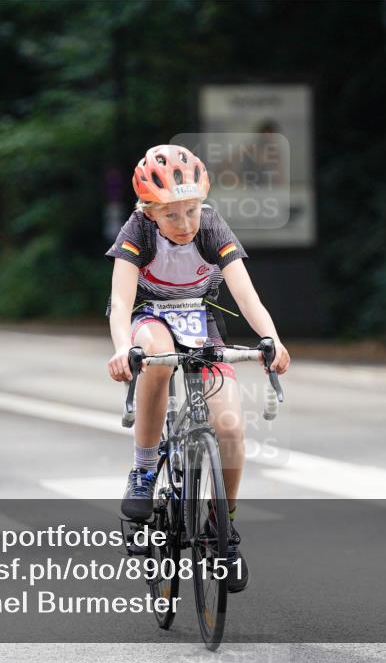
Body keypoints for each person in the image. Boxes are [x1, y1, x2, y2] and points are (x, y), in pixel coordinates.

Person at [105, 144, 291, 593]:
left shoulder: (210, 225)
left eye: (191, 211)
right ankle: (145, 468)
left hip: (202, 318)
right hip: (150, 316)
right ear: (149, 211)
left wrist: (272, 338)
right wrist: (120, 347)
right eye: (172, 215)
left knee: (229, 426)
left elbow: (247, 295)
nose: (185, 224)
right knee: (156, 353)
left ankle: (221, 525)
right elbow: (121, 302)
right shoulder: (138, 231)